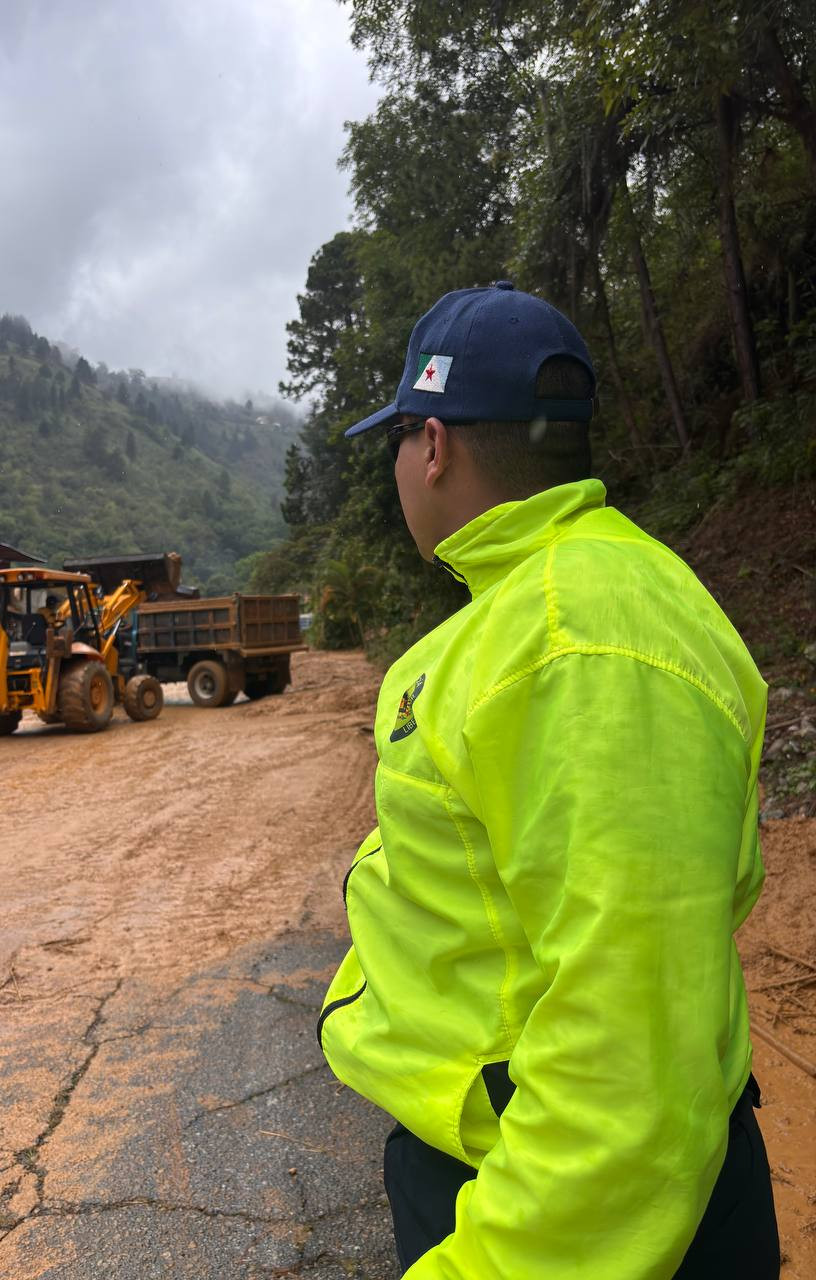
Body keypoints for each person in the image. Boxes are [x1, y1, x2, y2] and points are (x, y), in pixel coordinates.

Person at [318, 282, 780, 1279]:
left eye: (399, 440)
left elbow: (626, 1076)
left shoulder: (573, 642)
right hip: (541, 1159)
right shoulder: (576, 601)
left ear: (432, 444)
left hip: (551, 1200)